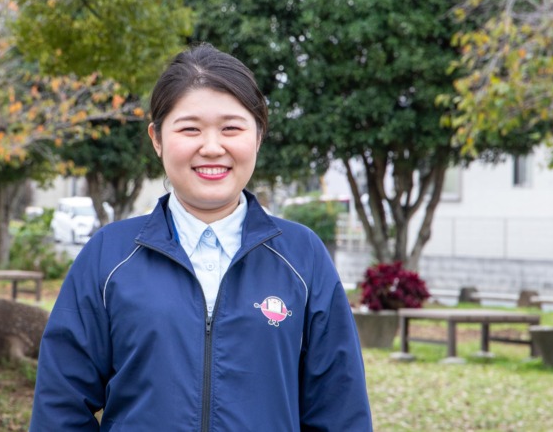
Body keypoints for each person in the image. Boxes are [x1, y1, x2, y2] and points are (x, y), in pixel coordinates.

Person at [30, 43, 373, 431]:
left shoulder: (302, 256)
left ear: (258, 135)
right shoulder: (108, 257)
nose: (212, 148)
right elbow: (60, 407)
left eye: (231, 128)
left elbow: (340, 411)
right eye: (190, 129)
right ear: (157, 138)